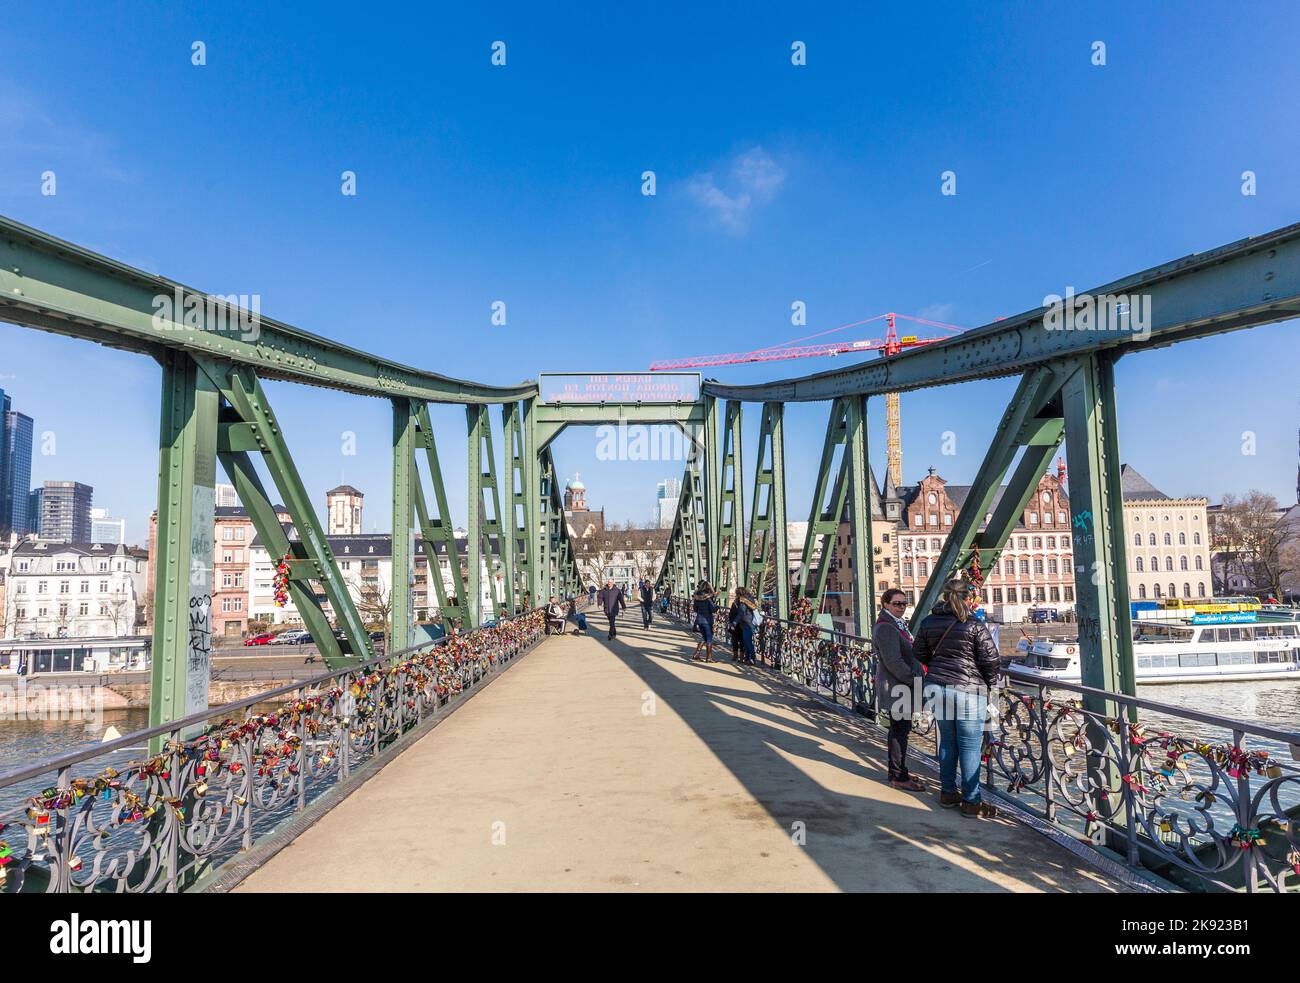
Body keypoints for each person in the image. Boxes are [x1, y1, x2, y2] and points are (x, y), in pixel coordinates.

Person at [912, 578, 1001, 818]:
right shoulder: (973, 624)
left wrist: (938, 667)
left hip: (937, 688)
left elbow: (918, 653)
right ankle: (971, 802)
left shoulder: (929, 621)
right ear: (967, 597)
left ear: (943, 596)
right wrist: (990, 684)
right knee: (970, 747)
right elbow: (991, 659)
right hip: (968, 691)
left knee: (948, 742)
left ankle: (948, 792)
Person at [873, 588, 925, 792]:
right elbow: (893, 661)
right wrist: (914, 680)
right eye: (897, 603)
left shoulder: (894, 624)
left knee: (900, 729)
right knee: (899, 731)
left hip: (899, 686)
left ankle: (899, 771)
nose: (902, 607)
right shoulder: (886, 627)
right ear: (886, 604)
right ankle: (898, 775)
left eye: (904, 603)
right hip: (898, 687)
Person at [690, 583, 718, 662]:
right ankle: (709, 657)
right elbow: (713, 609)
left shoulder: (697, 598)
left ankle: (696, 654)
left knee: (704, 637)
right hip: (707, 620)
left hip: (699, 620)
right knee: (709, 639)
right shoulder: (708, 599)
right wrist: (717, 607)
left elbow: (695, 609)